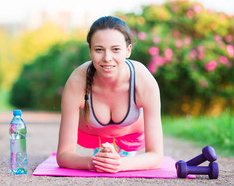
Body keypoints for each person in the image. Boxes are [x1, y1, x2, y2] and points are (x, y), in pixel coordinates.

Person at [56, 16, 163, 173]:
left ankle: (118, 154)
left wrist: (121, 164)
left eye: (116, 49)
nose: (107, 58)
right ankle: (106, 155)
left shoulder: (143, 80)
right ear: (90, 51)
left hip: (130, 138)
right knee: (105, 160)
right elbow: (64, 155)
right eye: (99, 49)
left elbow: (156, 156)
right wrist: (93, 162)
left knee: (118, 160)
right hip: (91, 136)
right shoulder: (77, 81)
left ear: (128, 50)